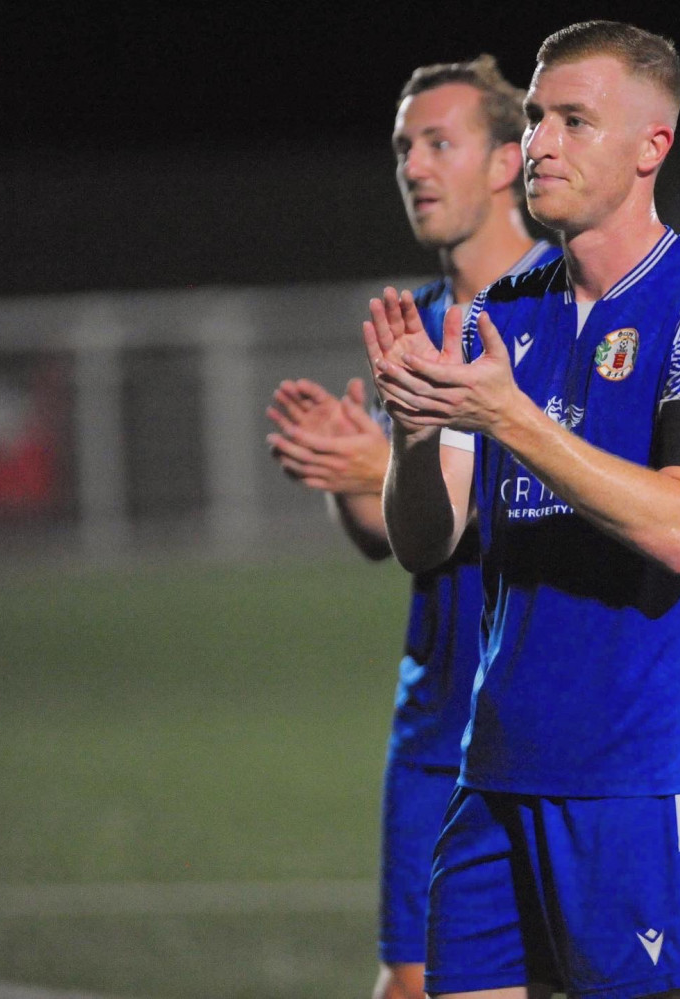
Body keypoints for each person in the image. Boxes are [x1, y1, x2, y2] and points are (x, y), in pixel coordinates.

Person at [365, 19, 680, 999]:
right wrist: (419, 428)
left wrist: (509, 417)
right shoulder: (504, 308)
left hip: (640, 772)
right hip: (497, 762)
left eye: (575, 121)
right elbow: (427, 542)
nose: (541, 143)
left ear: (650, 147)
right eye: (540, 117)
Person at [266, 54, 559, 999]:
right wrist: (351, 471)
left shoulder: (568, 309)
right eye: (403, 148)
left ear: (508, 161)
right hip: (436, 721)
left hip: (553, 723)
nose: (416, 168)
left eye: (440, 142)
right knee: (411, 983)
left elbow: (566, 492)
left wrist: (388, 462)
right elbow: (392, 540)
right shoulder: (421, 322)